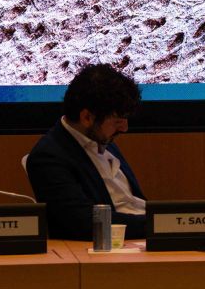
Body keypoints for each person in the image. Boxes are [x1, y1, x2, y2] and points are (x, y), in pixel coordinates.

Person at [26, 63, 147, 240]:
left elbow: (132, 201)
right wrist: (157, 224)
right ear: (87, 117)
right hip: (109, 249)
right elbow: (83, 223)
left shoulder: (103, 139)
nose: (125, 128)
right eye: (117, 121)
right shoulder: (48, 157)